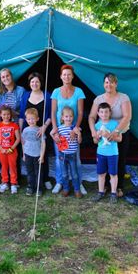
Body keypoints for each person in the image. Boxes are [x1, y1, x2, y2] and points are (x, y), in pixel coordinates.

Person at [88, 73, 132, 197]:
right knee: (104, 159)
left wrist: (116, 131)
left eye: (111, 82)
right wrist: (93, 132)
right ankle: (106, 186)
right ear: (103, 84)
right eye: (106, 82)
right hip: (102, 135)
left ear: (116, 84)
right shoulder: (99, 99)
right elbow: (91, 116)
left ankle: (119, 187)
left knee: (119, 160)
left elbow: (127, 116)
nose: (109, 84)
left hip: (120, 133)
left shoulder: (123, 97)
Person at [50, 64, 86, 195]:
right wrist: (55, 129)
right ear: (61, 76)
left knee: (76, 159)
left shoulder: (79, 91)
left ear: (73, 76)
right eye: (64, 74)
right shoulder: (55, 92)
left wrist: (75, 128)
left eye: (69, 74)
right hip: (60, 129)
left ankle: (79, 184)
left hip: (73, 129)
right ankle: (60, 183)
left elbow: (81, 112)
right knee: (60, 159)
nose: (67, 76)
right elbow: (53, 112)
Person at [19, 72, 53, 190]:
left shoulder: (47, 95)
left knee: (43, 154)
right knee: (30, 154)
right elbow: (22, 115)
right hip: (28, 130)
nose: (35, 83)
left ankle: (45, 178)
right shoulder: (25, 95)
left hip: (42, 130)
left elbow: (50, 115)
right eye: (32, 81)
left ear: (41, 83)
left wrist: (44, 127)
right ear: (29, 83)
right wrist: (20, 130)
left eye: (37, 81)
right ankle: (32, 181)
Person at [91, 103, 122, 204]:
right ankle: (100, 192)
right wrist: (98, 137)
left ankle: (113, 193)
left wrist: (109, 135)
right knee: (101, 173)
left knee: (113, 174)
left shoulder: (115, 124)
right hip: (101, 153)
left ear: (110, 113)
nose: (104, 114)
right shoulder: (96, 125)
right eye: (101, 112)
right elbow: (95, 142)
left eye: (106, 112)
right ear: (98, 113)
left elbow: (120, 139)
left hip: (112, 153)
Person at [51, 106, 82, 198]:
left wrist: (79, 134)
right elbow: (56, 141)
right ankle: (66, 189)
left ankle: (77, 189)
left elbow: (79, 141)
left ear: (73, 117)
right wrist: (53, 135)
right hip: (62, 155)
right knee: (64, 173)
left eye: (71, 116)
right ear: (62, 118)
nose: (69, 118)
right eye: (66, 116)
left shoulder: (76, 129)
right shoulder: (59, 129)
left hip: (72, 154)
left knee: (74, 173)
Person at [0, 105, 21, 194]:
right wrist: (1, 149)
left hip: (12, 151)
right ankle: (5, 182)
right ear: (0, 115)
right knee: (4, 167)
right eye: (4, 114)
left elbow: (18, 138)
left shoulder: (14, 125)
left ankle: (13, 183)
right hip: (2, 151)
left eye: (8, 114)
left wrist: (12, 148)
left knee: (12, 167)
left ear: (11, 115)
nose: (6, 116)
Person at [22, 108, 46, 196]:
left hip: (37, 155)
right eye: (29, 119)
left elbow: (43, 143)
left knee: (38, 172)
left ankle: (39, 188)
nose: (31, 121)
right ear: (26, 120)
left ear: (37, 119)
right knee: (30, 171)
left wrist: (42, 156)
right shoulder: (25, 130)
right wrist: (24, 154)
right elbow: (23, 142)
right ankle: (30, 187)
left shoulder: (39, 130)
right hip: (28, 154)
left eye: (33, 118)